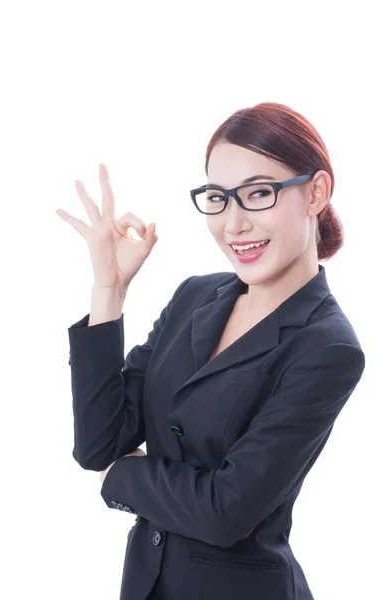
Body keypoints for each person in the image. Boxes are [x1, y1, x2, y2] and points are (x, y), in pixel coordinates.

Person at [56, 101, 365, 600]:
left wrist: (126, 475)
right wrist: (108, 291)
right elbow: (98, 444)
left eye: (258, 193)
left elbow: (225, 513)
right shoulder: (195, 296)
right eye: (218, 198)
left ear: (316, 192)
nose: (234, 224)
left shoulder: (327, 346)